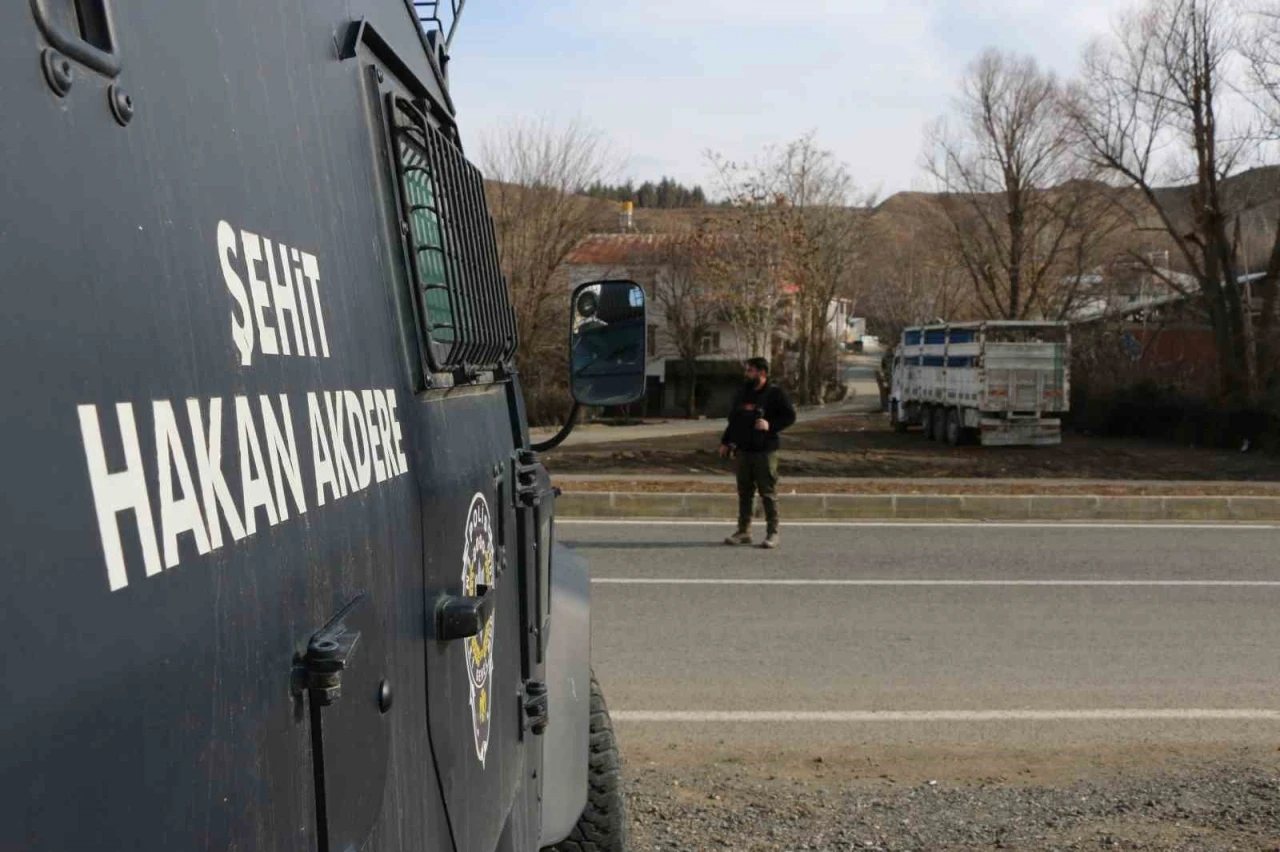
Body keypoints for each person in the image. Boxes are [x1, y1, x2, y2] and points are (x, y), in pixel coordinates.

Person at [718, 357, 796, 549]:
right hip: (743, 450)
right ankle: (743, 531)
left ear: (762, 372)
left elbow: (790, 416)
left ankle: (773, 532)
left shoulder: (775, 393)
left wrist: (771, 425)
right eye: (747, 370)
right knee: (745, 493)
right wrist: (726, 442)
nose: (747, 374)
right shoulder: (743, 393)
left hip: (765, 451)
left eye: (751, 370)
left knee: (767, 493)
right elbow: (734, 420)